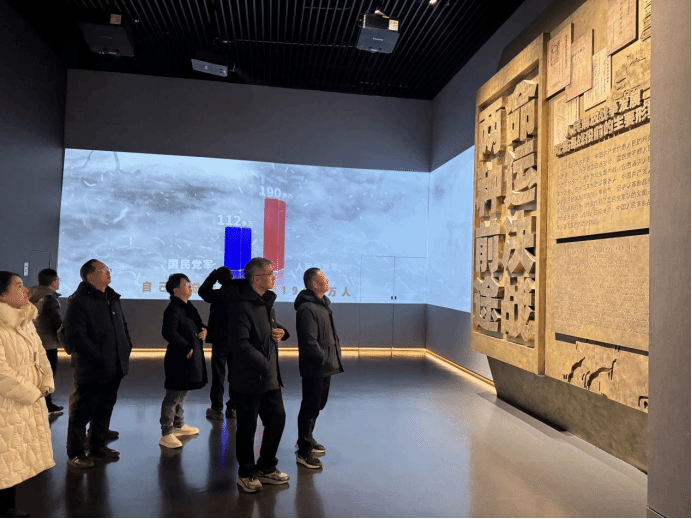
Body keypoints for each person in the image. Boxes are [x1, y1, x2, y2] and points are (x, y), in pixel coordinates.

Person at [62, 259, 132, 468]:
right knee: (81, 412)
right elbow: (75, 335)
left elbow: (123, 326)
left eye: (108, 269)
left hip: (114, 366)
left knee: (105, 408)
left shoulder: (111, 297)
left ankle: (97, 447)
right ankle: (75, 452)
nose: (108, 272)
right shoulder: (79, 300)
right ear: (90, 275)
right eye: (103, 270)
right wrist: (98, 356)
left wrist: (126, 346)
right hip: (91, 368)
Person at [231, 257, 291, 493]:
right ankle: (246, 473)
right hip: (248, 379)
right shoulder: (240, 306)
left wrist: (281, 332)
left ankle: (266, 467)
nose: (274, 277)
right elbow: (240, 344)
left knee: (277, 420)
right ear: (256, 279)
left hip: (269, 378)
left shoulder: (266, 303)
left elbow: (268, 329)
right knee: (247, 428)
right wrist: (265, 365)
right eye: (269, 274)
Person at [0, 271, 55, 519]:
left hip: (26, 402)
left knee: (13, 458)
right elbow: (2, 373)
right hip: (8, 403)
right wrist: (32, 391)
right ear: (2, 295)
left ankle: (8, 508)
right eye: (19, 285)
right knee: (4, 457)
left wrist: (46, 382)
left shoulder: (25, 319)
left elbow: (40, 355)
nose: (26, 290)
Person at [294, 268, 344, 469]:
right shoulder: (307, 308)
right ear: (314, 284)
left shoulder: (323, 304)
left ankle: (306, 438)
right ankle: (303, 452)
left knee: (317, 405)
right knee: (310, 406)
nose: (328, 280)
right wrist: (323, 358)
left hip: (325, 365)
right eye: (323, 278)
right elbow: (309, 341)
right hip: (315, 367)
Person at [159, 273, 207, 449]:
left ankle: (178, 424)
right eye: (186, 284)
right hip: (179, 358)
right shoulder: (173, 308)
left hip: (191, 358)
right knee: (173, 396)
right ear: (176, 290)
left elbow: (198, 325)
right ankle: (166, 432)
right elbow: (168, 332)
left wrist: (204, 330)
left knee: (182, 393)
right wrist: (185, 347)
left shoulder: (188, 307)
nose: (190, 286)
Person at [198, 266, 236, 420]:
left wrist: (212, 275)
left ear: (218, 280)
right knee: (236, 374)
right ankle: (233, 407)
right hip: (238, 339)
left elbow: (202, 291)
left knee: (218, 374)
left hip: (220, 340)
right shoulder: (240, 293)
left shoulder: (218, 295)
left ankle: (216, 408)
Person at [28, 268, 64, 416]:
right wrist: (64, 337)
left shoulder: (30, 294)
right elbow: (55, 322)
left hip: (32, 341)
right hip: (47, 344)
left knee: (34, 375)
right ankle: (46, 406)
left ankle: (36, 404)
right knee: (47, 376)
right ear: (54, 282)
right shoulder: (49, 298)